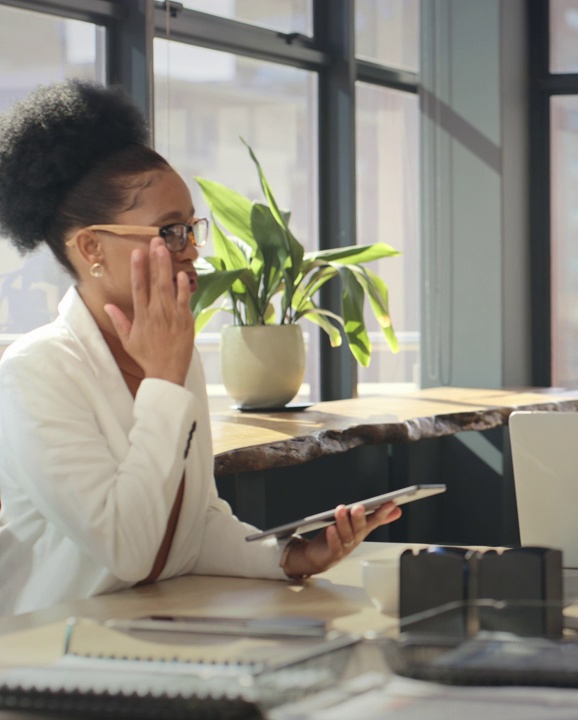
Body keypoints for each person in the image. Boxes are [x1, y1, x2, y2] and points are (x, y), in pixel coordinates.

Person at [0, 80, 400, 617]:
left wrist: (292, 555)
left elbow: (192, 521)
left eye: (191, 228)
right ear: (92, 247)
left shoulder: (175, 352)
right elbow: (128, 551)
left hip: (158, 624)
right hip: (60, 644)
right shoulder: (35, 373)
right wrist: (162, 381)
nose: (192, 250)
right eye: (169, 231)